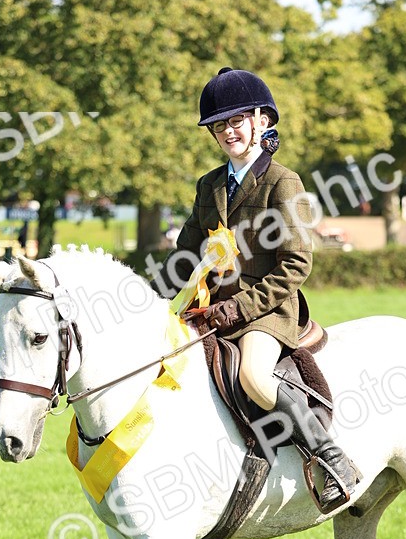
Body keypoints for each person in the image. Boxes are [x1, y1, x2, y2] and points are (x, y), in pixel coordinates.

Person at [151, 66, 361, 512]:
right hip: (211, 308)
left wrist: (238, 310)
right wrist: (149, 298)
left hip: (268, 310)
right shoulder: (209, 185)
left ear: (262, 120)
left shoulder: (284, 183)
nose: (228, 131)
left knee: (252, 375)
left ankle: (330, 455)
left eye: (237, 121)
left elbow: (297, 264)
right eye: (220, 125)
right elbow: (188, 251)